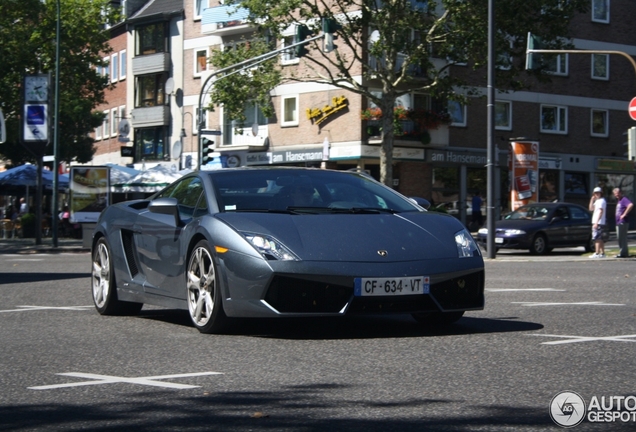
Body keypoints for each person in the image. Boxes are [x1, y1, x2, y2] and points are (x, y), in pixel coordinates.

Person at [613, 187, 633, 258]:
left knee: (622, 237)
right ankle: (623, 252)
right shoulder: (619, 201)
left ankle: (623, 253)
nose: (616, 195)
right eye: (615, 194)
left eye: (618, 193)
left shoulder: (624, 199)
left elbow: (630, 205)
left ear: (620, 193)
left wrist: (624, 214)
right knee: (620, 238)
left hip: (623, 222)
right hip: (619, 222)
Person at [589, 186, 607, 258]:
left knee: (597, 238)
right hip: (597, 222)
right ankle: (602, 253)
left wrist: (596, 222)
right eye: (595, 193)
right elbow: (591, 209)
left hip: (598, 222)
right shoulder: (597, 201)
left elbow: (600, 211)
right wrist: (592, 200)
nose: (596, 194)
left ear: (601, 193)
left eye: (598, 193)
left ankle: (597, 253)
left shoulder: (602, 201)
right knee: (600, 238)